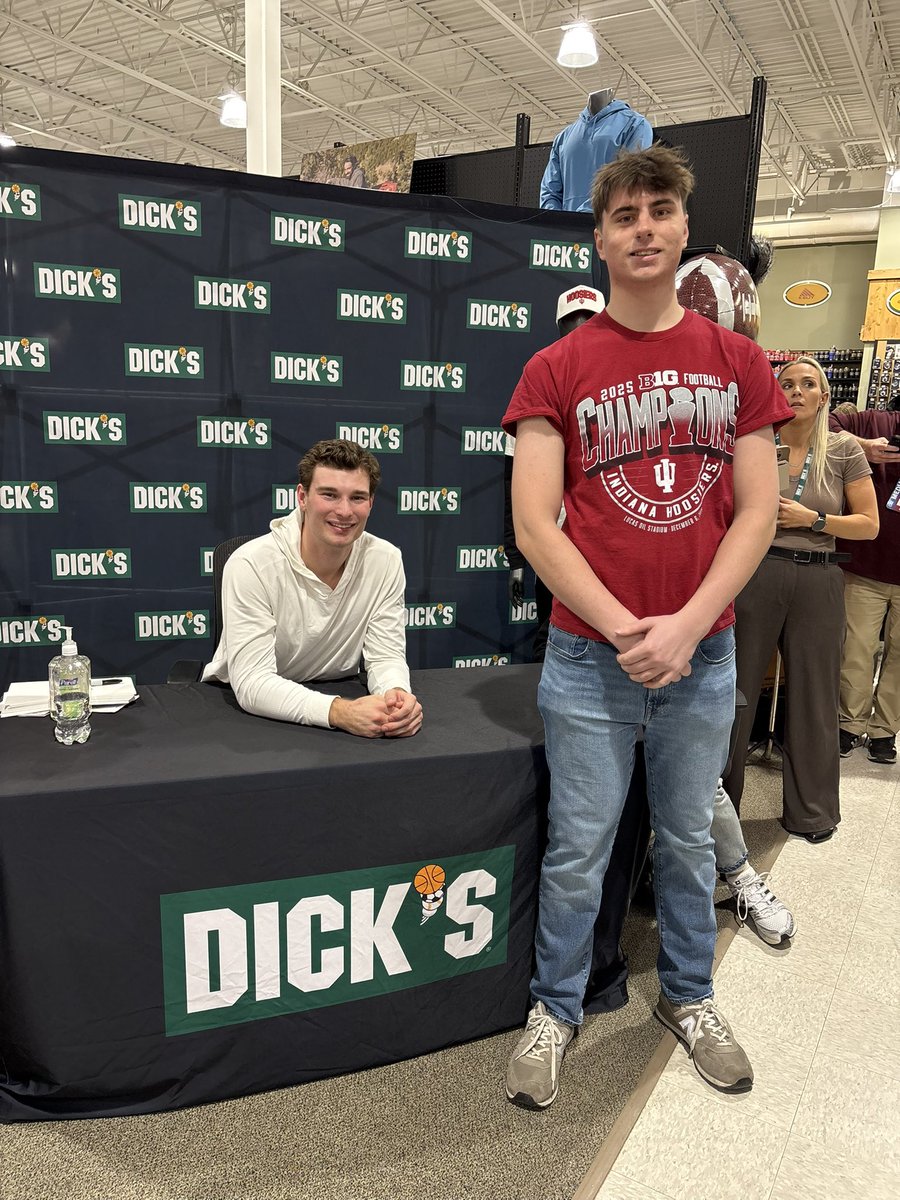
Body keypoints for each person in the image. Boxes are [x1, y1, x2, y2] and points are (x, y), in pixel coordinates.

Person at [502, 144, 794, 1109]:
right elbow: (534, 524)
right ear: (599, 237)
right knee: (579, 848)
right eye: (623, 215)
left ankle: (689, 997)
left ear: (681, 227)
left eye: (658, 210)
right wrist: (637, 627)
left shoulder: (739, 363)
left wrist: (687, 628)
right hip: (590, 663)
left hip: (702, 658)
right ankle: (554, 1008)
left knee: (684, 840)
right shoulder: (556, 367)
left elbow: (757, 511)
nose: (642, 229)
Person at [722, 357, 878, 838]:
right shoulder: (752, 445)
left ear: (824, 395)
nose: (795, 391)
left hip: (820, 578)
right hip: (755, 573)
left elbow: (868, 525)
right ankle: (717, 815)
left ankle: (813, 812)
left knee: (814, 694)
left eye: (808, 384)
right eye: (786, 383)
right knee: (734, 695)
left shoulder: (843, 449)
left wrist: (812, 520)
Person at [203, 438, 422, 739]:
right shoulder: (251, 563)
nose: (344, 511)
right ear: (302, 497)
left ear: (371, 503)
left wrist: (395, 698)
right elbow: (253, 681)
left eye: (357, 497)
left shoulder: (385, 560)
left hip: (338, 696)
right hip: (254, 718)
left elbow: (385, 656)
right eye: (329, 495)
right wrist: (339, 712)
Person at [505, 284, 607, 661]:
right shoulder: (538, 386)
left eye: (589, 324)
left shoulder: (626, 388)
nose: (580, 334)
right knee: (551, 634)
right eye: (571, 325)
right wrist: (517, 560)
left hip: (609, 548)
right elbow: (510, 491)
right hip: (556, 546)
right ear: (558, 329)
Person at [829, 395, 900, 765]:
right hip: (865, 565)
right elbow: (823, 423)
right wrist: (864, 448)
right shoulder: (873, 422)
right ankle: (849, 724)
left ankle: (885, 732)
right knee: (856, 650)